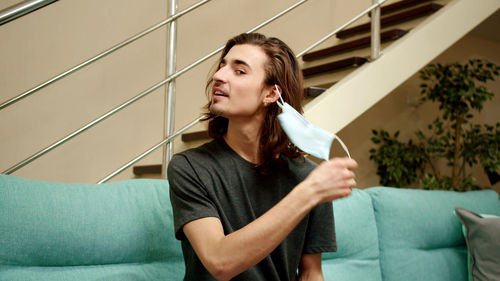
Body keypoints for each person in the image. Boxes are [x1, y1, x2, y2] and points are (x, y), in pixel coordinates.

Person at [168, 32, 358, 281]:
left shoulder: (308, 177)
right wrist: (309, 192)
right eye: (223, 65)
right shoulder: (190, 167)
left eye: (239, 71)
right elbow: (219, 261)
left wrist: (312, 188)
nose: (218, 76)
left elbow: (312, 272)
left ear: (271, 94)